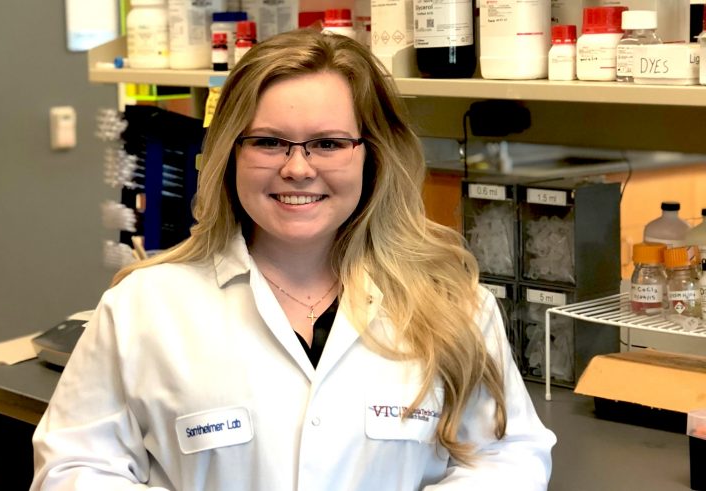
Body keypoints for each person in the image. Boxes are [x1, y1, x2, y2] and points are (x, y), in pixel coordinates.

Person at [31, 28, 555, 490]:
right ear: (229, 153)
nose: (297, 169)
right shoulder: (145, 307)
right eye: (268, 142)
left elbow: (508, 455)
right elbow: (74, 467)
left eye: (327, 143)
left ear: (372, 155)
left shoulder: (451, 304)